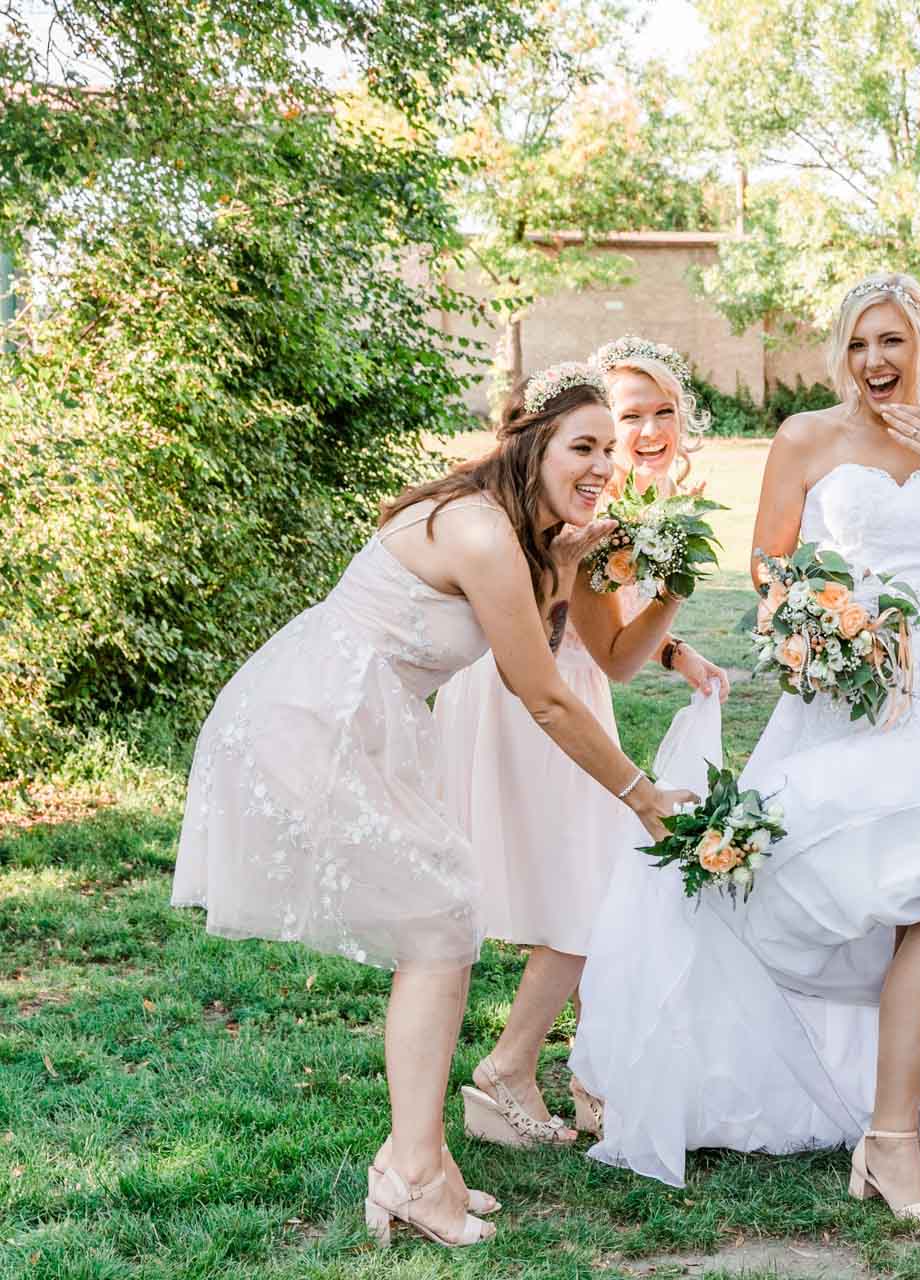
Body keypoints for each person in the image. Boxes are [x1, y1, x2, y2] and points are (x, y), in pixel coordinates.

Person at [571, 273, 920, 1228]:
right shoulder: (805, 437)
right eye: (862, 344)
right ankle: (833, 1103)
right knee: (830, 884)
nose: (877, 362)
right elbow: (766, 564)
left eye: (895, 344)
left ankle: (895, 1133)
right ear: (843, 351)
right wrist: (822, 623)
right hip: (844, 683)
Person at [172, 364, 695, 1250]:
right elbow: (546, 696)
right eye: (585, 445)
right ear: (529, 442)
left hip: (351, 719)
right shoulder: (482, 531)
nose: (605, 464)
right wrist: (642, 797)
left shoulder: (511, 534)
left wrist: (564, 564)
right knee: (440, 916)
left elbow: (532, 639)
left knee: (441, 915)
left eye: (611, 448)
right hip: (311, 722)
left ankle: (422, 1162)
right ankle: (415, 1171)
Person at [435, 336, 729, 1149]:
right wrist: (667, 599)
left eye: (661, 411)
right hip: (543, 696)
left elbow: (621, 647)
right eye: (626, 416)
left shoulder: (617, 506)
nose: (646, 430)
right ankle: (512, 1069)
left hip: (535, 686)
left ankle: (590, 1076)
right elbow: (607, 652)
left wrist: (670, 628)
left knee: (575, 885)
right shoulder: (592, 511)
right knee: (588, 894)